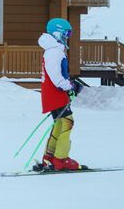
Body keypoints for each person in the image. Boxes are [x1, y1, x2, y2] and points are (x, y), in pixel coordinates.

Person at [37, 18, 83, 171]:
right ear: (57, 33)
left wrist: (70, 86)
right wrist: (70, 86)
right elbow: (57, 78)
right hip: (55, 94)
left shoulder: (54, 50)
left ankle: (49, 157)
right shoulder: (54, 52)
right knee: (68, 122)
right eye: (66, 33)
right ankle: (61, 159)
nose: (68, 36)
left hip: (53, 95)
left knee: (59, 124)